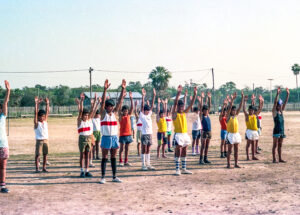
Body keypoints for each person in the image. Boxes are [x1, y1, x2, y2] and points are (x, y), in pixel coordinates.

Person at [99, 79, 126, 184]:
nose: (110, 107)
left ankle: (114, 176)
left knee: (114, 157)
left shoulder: (115, 114)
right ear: (106, 107)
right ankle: (103, 177)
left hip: (114, 137)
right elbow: (102, 103)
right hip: (106, 137)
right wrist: (105, 90)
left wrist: (123, 89)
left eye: (111, 106)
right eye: (108, 106)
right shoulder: (103, 114)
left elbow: (119, 102)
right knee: (105, 157)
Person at [172, 85, 197, 175]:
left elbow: (190, 105)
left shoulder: (184, 113)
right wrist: (178, 93)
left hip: (185, 134)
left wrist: (195, 95)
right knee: (178, 150)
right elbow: (175, 103)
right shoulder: (175, 114)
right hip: (178, 134)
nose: (181, 108)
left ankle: (184, 168)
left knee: (185, 150)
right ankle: (177, 169)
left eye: (182, 107)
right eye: (180, 107)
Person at [76, 92, 100, 178]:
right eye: (84, 115)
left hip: (89, 138)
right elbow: (80, 112)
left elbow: (93, 110)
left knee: (88, 154)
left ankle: (87, 170)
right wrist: (81, 101)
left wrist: (97, 102)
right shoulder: (80, 121)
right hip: (82, 138)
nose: (86, 116)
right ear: (82, 116)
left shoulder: (90, 120)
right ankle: (82, 170)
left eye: (87, 115)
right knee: (82, 155)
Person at [225, 92, 243, 168]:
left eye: (235, 110)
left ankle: (236, 163)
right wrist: (232, 100)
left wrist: (242, 98)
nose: (234, 111)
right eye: (233, 110)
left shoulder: (235, 116)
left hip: (236, 134)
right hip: (230, 135)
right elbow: (229, 109)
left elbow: (240, 107)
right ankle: (228, 164)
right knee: (230, 150)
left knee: (236, 150)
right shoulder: (228, 117)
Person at [139, 88, 156, 170]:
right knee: (144, 149)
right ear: (144, 111)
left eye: (149, 110)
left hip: (149, 134)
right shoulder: (142, 115)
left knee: (148, 149)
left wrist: (154, 96)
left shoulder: (149, 114)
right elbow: (142, 106)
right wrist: (143, 96)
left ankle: (148, 164)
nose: (148, 111)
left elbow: (152, 105)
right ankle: (143, 165)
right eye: (147, 110)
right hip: (144, 134)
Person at [243, 94, 263, 161]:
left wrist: (260, 101)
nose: (251, 111)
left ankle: (253, 156)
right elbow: (244, 109)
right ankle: (248, 156)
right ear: (249, 110)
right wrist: (245, 101)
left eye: (252, 110)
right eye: (250, 110)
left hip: (254, 131)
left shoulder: (255, 115)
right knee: (248, 144)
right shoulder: (247, 116)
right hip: (249, 131)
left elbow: (260, 109)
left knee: (253, 144)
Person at [272, 87, 289, 163]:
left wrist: (288, 94)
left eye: (281, 105)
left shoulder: (281, 112)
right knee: (275, 145)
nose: (280, 106)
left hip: (282, 131)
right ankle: (274, 159)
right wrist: (277, 94)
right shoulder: (274, 112)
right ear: (277, 106)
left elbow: (285, 103)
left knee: (280, 145)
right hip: (276, 131)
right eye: (279, 105)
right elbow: (275, 102)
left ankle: (280, 158)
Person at [34, 96, 50, 173]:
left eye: (43, 116)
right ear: (38, 117)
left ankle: (44, 167)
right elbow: (35, 113)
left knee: (45, 154)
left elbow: (47, 112)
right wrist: (36, 103)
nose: (42, 118)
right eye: (40, 116)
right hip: (39, 141)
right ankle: (37, 168)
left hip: (45, 140)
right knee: (38, 155)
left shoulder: (45, 121)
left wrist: (47, 103)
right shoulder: (37, 123)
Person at [119, 91, 134, 166]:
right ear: (122, 111)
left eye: (126, 111)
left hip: (128, 134)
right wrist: (122, 98)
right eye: (124, 111)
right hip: (122, 135)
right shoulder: (121, 116)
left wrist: (131, 98)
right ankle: (121, 161)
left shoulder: (129, 116)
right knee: (121, 148)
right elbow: (119, 108)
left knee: (127, 149)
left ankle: (126, 161)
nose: (125, 112)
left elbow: (132, 108)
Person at [0, 80, 10, 193]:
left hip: (3, 145)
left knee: (3, 167)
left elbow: (5, 103)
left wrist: (8, 91)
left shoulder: (2, 117)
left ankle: (2, 186)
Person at [199, 92, 212, 164]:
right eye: (205, 110)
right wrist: (202, 98)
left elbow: (209, 106)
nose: (206, 111)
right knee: (203, 146)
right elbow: (201, 107)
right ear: (203, 111)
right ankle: (200, 159)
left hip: (209, 132)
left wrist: (209, 98)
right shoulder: (202, 116)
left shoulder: (208, 115)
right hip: (204, 132)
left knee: (207, 146)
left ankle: (205, 158)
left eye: (207, 110)